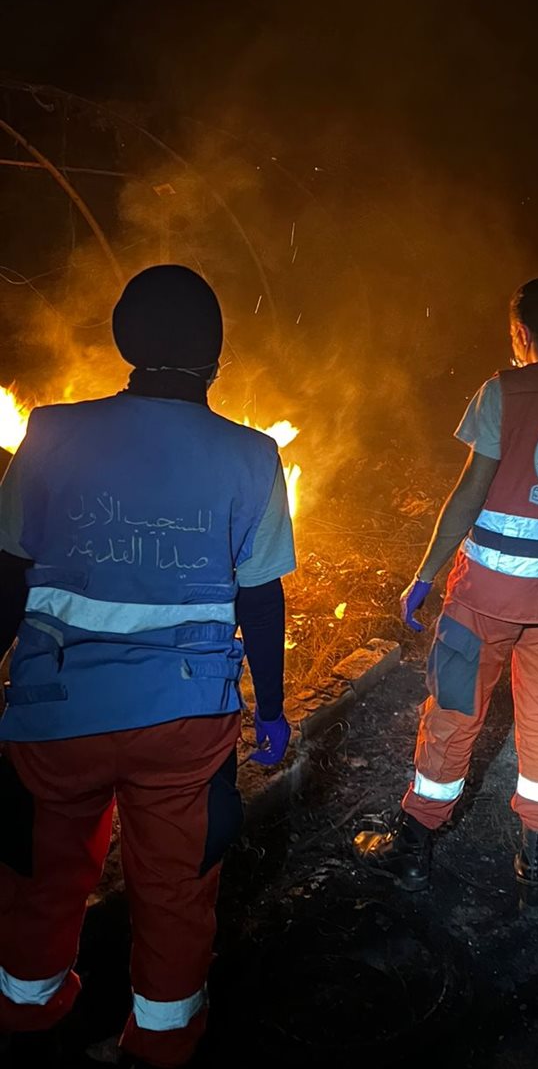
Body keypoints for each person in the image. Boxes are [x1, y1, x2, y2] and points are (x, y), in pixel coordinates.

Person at [0, 265, 296, 1069]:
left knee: (39, 880)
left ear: (124, 342)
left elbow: (6, 573)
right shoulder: (253, 456)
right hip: (184, 726)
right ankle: (160, 1044)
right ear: (216, 359)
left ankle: (28, 1022)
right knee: (175, 893)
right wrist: (270, 711)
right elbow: (259, 601)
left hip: (55, 713)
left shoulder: (49, 431)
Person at [354, 278, 538, 919]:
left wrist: (423, 575)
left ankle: (412, 853)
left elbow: (468, 495)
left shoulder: (503, 390)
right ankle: (536, 873)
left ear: (521, 333)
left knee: (455, 715)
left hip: (486, 595)